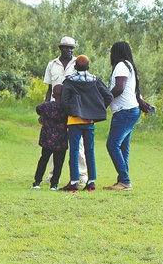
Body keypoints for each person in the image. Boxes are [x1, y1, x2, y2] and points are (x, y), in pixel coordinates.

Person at [60, 55, 113, 192]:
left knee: (74, 151)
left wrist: (73, 111)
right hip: (89, 121)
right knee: (90, 150)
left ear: (75, 66)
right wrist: (96, 110)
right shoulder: (95, 80)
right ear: (88, 67)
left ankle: (73, 182)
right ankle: (91, 182)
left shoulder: (69, 81)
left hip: (74, 121)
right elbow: (109, 96)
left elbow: (64, 101)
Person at [104, 41, 152, 191]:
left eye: (112, 52)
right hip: (131, 110)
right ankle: (122, 180)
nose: (111, 55)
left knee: (112, 145)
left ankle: (125, 181)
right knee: (123, 146)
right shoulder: (130, 66)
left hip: (124, 111)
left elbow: (119, 88)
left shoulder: (120, 66)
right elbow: (134, 90)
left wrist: (104, 99)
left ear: (116, 53)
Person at [42, 36, 88, 187]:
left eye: (72, 48)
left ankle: (82, 175)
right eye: (67, 47)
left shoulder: (78, 63)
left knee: (78, 142)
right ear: (61, 48)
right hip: (55, 108)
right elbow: (49, 88)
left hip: (73, 108)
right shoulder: (52, 64)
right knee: (52, 141)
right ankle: (52, 175)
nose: (69, 50)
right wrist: (46, 109)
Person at [31, 84, 68, 191]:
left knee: (43, 159)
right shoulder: (66, 108)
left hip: (47, 139)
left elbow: (38, 109)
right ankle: (54, 184)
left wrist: (43, 117)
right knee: (58, 163)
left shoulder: (47, 106)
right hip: (61, 140)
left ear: (53, 95)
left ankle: (37, 182)